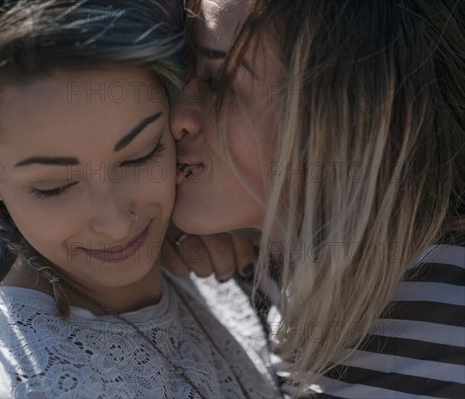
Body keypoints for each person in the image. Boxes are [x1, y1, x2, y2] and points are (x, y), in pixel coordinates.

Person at [0, 0, 281, 397]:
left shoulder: (232, 262)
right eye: (54, 186)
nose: (115, 222)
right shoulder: (18, 384)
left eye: (140, 154)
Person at [165, 0, 465, 397]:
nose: (177, 115)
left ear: (352, 118)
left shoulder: (446, 301)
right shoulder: (262, 265)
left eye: (220, 83)